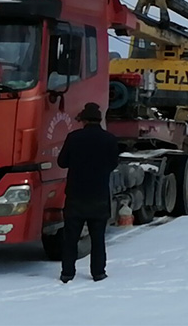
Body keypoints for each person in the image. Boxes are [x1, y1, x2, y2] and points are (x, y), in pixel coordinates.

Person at [57, 102, 120, 283]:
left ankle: (67, 273)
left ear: (83, 120)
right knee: (98, 237)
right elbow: (113, 164)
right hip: (99, 195)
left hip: (75, 196)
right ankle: (98, 272)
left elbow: (62, 162)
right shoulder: (109, 139)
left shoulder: (73, 137)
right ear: (99, 120)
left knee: (71, 237)